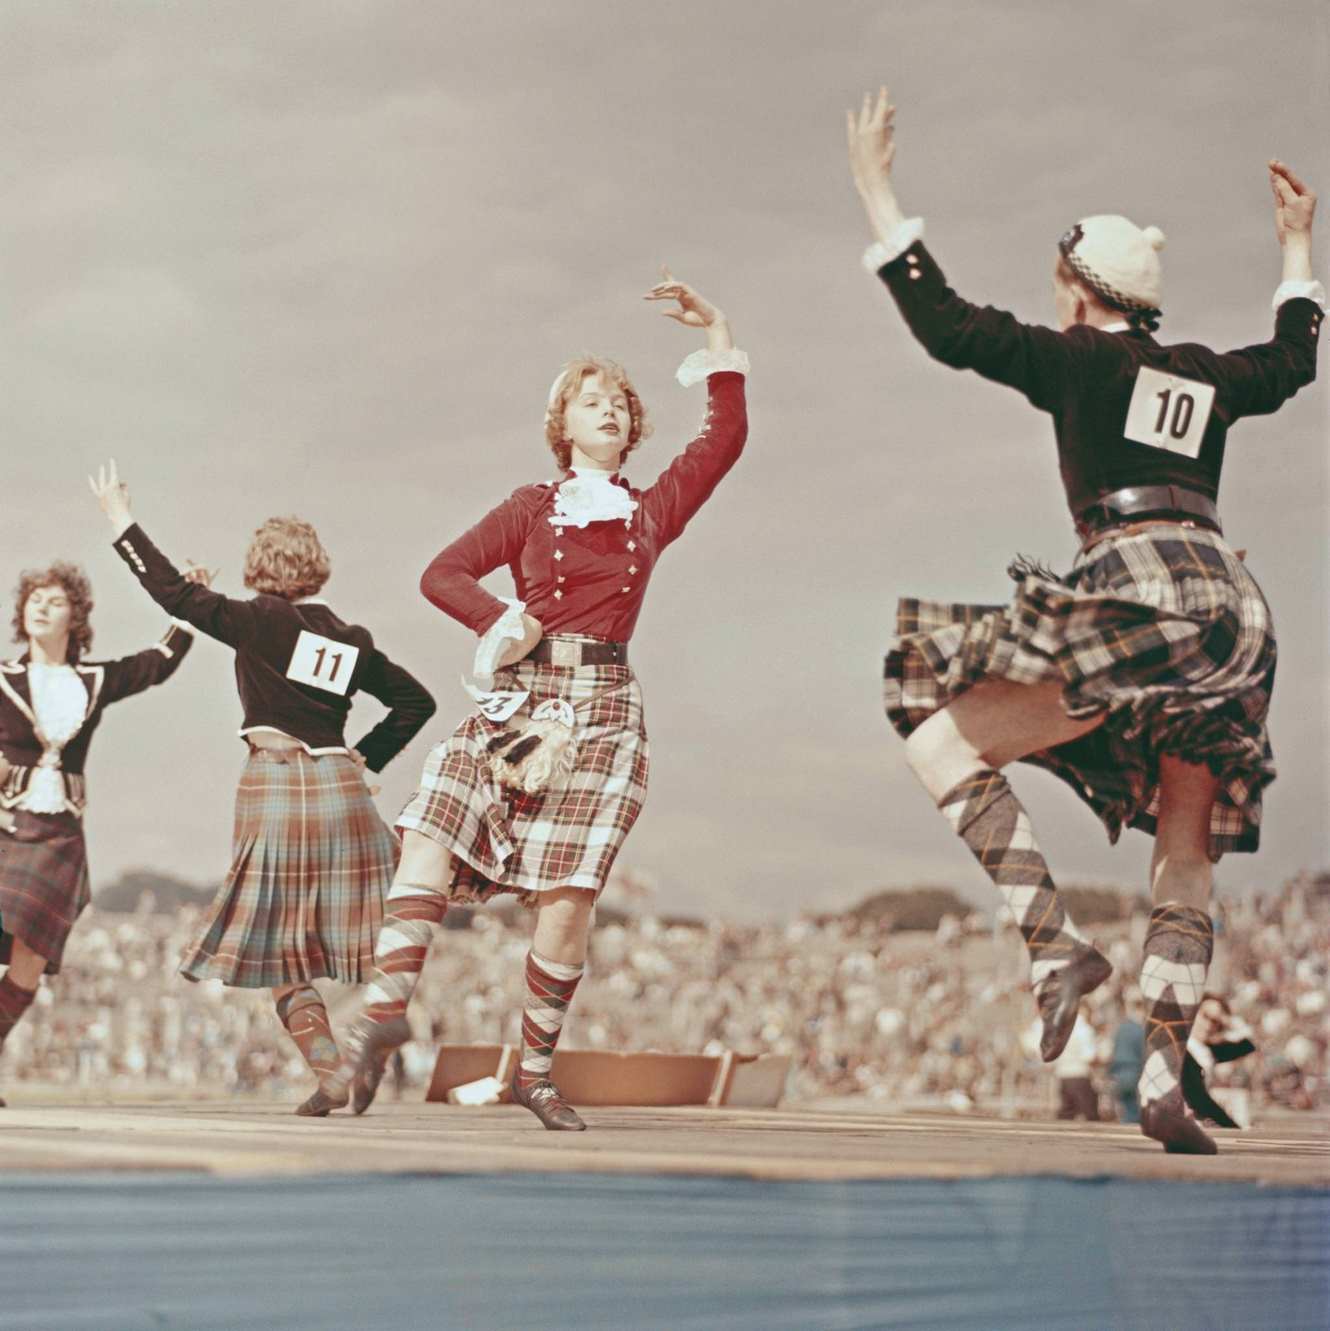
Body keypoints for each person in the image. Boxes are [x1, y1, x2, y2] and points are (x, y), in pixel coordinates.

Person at [847, 86, 1322, 1154]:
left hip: (1134, 583)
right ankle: (1161, 1076)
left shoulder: (1074, 357)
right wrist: (1298, 251)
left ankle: (1052, 941)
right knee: (1184, 847)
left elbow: (950, 328)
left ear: (1076, 288)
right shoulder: (1199, 374)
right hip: (1230, 607)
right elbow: (1292, 363)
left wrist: (881, 199)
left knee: (933, 720)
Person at [317, 272, 748, 1129]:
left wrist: (719, 333)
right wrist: (504, 618)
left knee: (569, 892)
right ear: (563, 423)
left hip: (602, 704)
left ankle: (536, 1071)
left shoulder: (651, 509)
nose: (612, 410)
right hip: (521, 697)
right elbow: (440, 574)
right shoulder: (531, 506)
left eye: (621, 401)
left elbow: (725, 436)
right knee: (431, 831)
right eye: (593, 400)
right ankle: (377, 1025)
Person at [89, 463, 436, 1114]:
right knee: (374, 931)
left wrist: (120, 518)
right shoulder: (351, 638)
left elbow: (171, 595)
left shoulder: (256, 622)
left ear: (258, 568)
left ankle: (332, 1071)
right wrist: (363, 758)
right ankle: (383, 1017)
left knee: (281, 951)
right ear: (316, 569)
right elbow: (417, 702)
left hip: (274, 786)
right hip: (341, 787)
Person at [0, 560, 195, 1101]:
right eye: (33, 597)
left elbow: (157, 663)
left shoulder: (95, 680)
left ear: (75, 619)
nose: (40, 605)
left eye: (54, 600)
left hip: (59, 835)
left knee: (29, 962)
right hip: (5, 825)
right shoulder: (2, 678)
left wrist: (189, 603)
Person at [1182, 992, 1257, 1128]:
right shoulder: (1180, 1050)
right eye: (1205, 1016)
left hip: (1199, 1125)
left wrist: (1228, 1019)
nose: (1209, 1024)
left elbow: (1248, 1045)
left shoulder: (1208, 1050)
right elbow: (1199, 1099)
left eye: (1215, 1021)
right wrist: (1232, 1127)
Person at [1109, 991, 1147, 1124]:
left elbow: (1113, 1051)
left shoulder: (1121, 1028)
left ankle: (1126, 1123)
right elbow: (1143, 1053)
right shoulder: (1139, 1031)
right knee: (1133, 1107)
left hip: (1118, 1072)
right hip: (1133, 1070)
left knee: (1125, 1105)